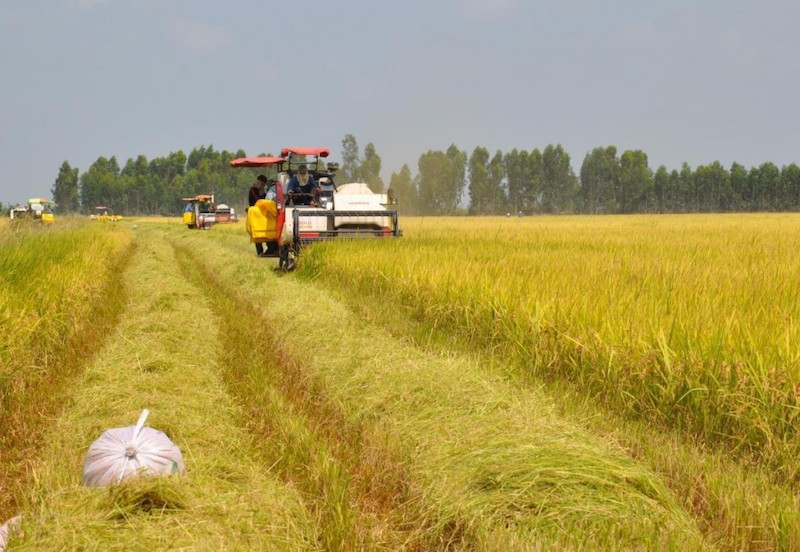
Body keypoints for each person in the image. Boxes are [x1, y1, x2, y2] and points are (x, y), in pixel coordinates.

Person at [248, 175, 268, 256]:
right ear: (257, 182)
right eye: (260, 183)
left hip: (262, 214)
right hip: (254, 214)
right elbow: (258, 201)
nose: (261, 185)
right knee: (257, 232)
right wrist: (261, 192)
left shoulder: (264, 192)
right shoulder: (253, 190)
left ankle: (271, 249)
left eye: (263, 184)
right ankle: (260, 251)